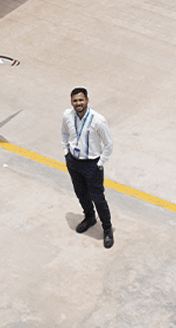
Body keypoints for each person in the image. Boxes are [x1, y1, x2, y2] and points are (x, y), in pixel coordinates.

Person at [61, 87, 114, 249]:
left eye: (81, 100)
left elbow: (109, 144)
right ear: (71, 102)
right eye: (75, 101)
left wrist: (99, 163)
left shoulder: (98, 120)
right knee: (80, 193)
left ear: (87, 101)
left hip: (92, 164)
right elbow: (64, 133)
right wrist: (66, 151)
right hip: (74, 162)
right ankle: (89, 217)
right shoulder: (67, 115)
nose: (78, 103)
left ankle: (107, 229)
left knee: (98, 198)